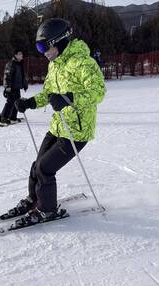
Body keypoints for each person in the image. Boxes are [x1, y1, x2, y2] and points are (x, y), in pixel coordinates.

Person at [10, 18, 105, 225]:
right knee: (37, 166)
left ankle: (48, 210)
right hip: (57, 127)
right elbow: (48, 94)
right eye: (38, 47)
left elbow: (98, 92)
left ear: (60, 41)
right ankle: (35, 199)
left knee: (45, 168)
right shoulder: (54, 65)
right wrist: (31, 102)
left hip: (77, 131)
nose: (42, 51)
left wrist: (68, 98)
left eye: (44, 46)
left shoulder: (84, 63)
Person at [0, 49, 28, 125]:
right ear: (15, 55)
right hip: (11, 87)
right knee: (10, 102)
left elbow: (22, 76)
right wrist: (7, 86)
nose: (21, 55)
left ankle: (12, 117)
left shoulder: (20, 64)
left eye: (22, 54)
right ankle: (3, 117)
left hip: (17, 87)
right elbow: (7, 76)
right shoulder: (11, 64)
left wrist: (24, 84)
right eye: (20, 54)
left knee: (17, 102)